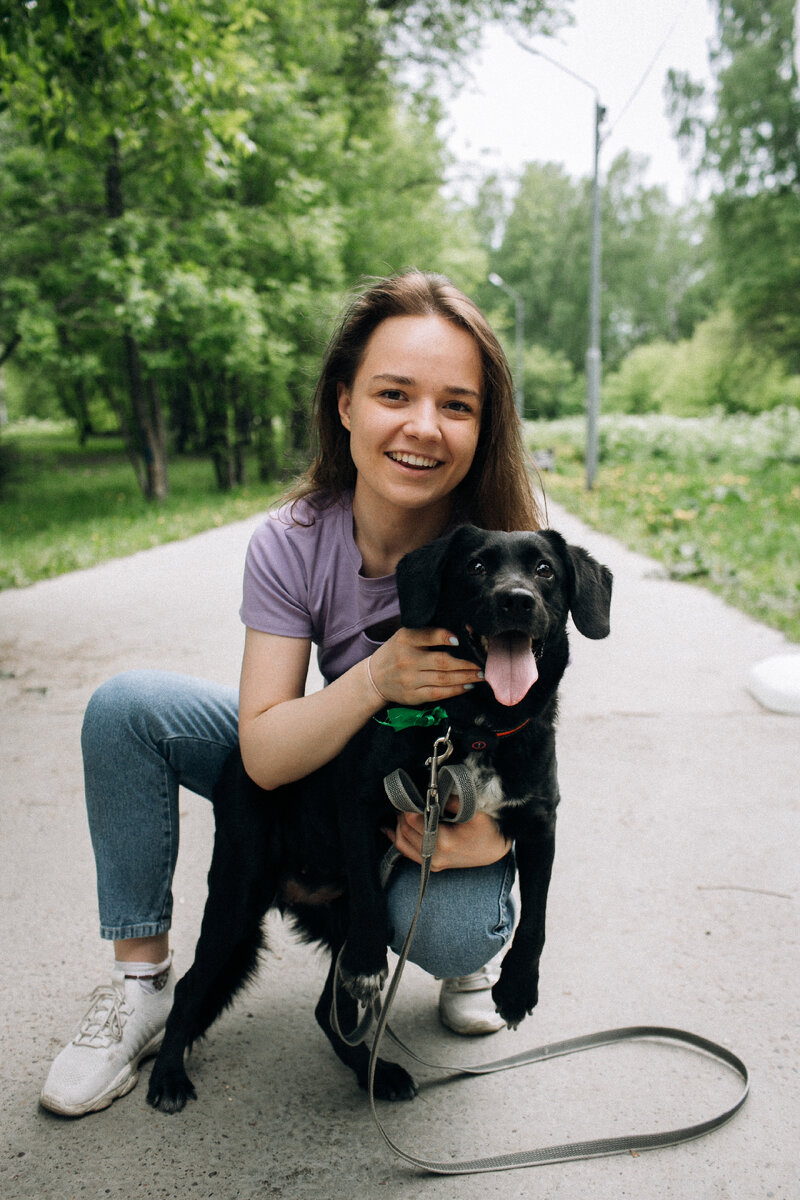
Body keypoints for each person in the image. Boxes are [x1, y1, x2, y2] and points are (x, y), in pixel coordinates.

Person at [40, 269, 543, 1117]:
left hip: (438, 783)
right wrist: (379, 675)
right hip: (336, 760)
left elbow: (531, 739)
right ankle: (143, 989)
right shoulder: (294, 539)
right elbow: (267, 752)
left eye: (456, 405)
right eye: (393, 394)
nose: (423, 426)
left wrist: (490, 831)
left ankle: (464, 955)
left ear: (483, 425)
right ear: (345, 403)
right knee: (128, 710)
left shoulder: (505, 555)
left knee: (453, 925)